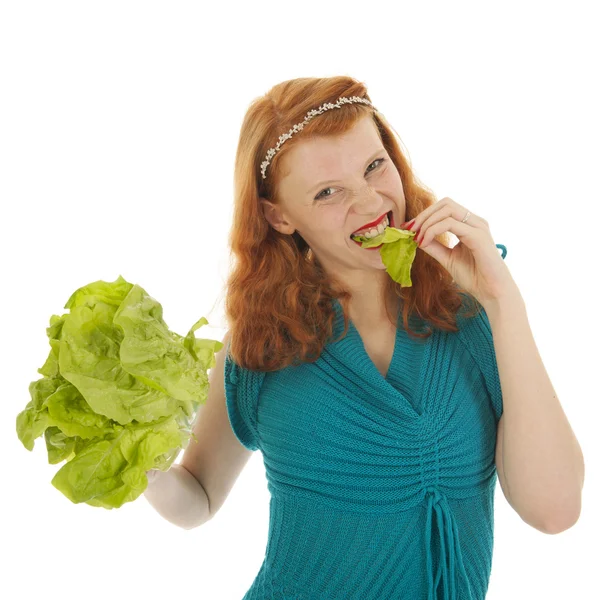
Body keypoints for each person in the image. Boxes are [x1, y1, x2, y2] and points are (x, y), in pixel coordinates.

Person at [146, 75, 511, 599]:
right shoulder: (262, 345)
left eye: (373, 166)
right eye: (327, 192)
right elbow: (198, 496)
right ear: (278, 216)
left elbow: (556, 507)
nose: (369, 204)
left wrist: (507, 301)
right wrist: (141, 457)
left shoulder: (470, 316)